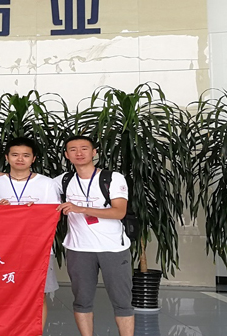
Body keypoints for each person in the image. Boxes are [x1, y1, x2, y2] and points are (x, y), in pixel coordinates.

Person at [56, 135, 134, 336]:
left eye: (84, 148)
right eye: (73, 149)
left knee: (122, 302)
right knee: (82, 301)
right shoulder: (64, 180)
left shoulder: (112, 178)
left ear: (94, 152)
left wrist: (81, 209)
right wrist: (3, 177)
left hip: (113, 248)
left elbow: (119, 212)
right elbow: (34, 186)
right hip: (78, 249)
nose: (79, 153)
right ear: (66, 155)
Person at [0, 137, 61, 334]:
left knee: (38, 295)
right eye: (15, 155)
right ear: (7, 157)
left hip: (38, 249)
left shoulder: (47, 184)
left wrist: (31, 214)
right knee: (2, 293)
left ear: (33, 159)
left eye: (26, 155)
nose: (20, 159)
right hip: (3, 250)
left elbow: (53, 216)